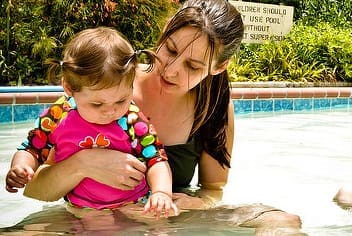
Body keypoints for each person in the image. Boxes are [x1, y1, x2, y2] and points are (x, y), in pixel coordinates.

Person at [6, 0, 301, 230]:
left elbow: (213, 189)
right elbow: (34, 190)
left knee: (283, 222)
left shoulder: (213, 109)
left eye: (193, 66)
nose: (170, 69)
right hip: (86, 216)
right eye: (170, 49)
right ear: (165, 30)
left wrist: (194, 204)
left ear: (218, 67)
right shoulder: (106, 88)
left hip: (165, 218)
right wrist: (84, 164)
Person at [5, 27, 178, 219]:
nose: (111, 110)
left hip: (134, 206)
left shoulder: (132, 118)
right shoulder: (58, 115)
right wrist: (21, 168)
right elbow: (31, 149)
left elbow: (157, 159)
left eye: (121, 100)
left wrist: (161, 193)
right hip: (80, 210)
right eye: (97, 103)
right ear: (69, 88)